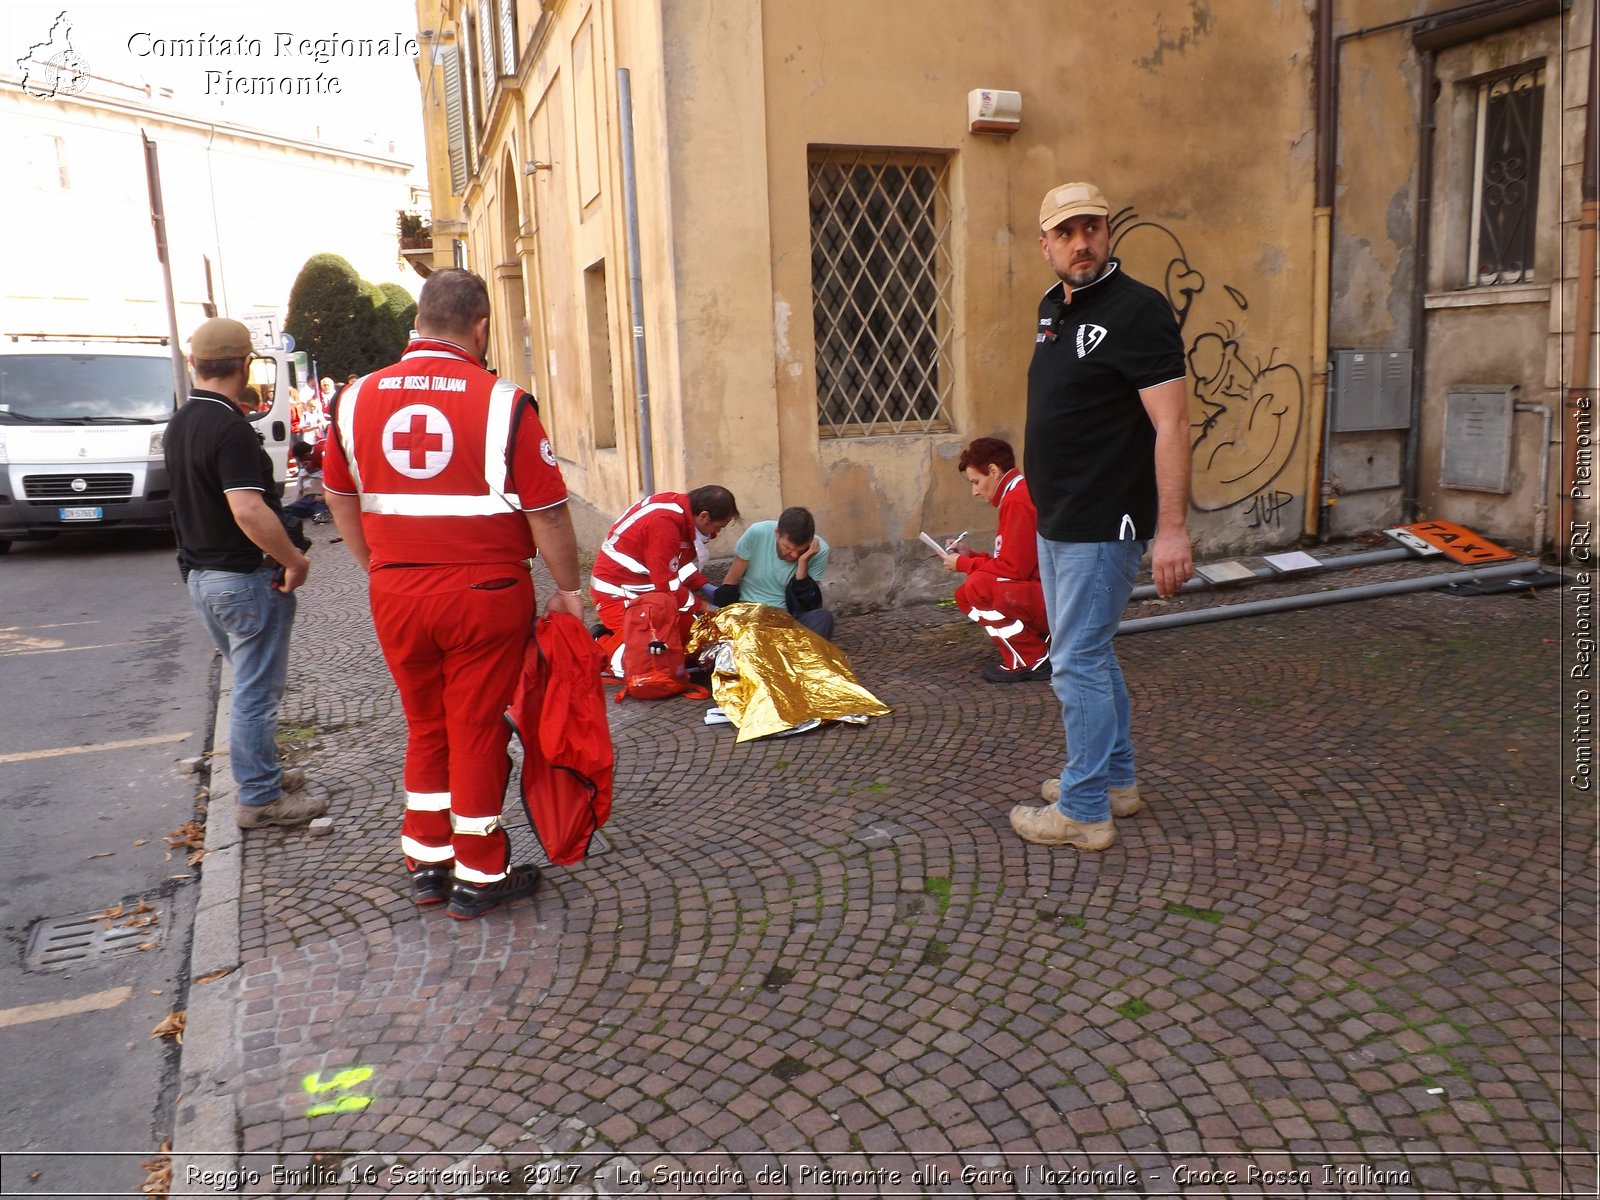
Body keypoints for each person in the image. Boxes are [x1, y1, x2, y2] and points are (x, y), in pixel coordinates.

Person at [321, 269, 585, 921]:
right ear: (482, 327)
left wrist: (377, 565)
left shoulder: (354, 400)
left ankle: (428, 862)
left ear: (419, 322)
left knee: (425, 724)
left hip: (397, 590)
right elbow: (548, 514)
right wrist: (569, 590)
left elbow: (338, 495)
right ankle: (480, 873)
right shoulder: (503, 402)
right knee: (475, 728)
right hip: (484, 593)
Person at [1007, 181, 1193, 853]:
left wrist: (1171, 529)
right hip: (1059, 519)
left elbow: (1171, 425)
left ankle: (1084, 811)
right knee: (1091, 656)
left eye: (1092, 227)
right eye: (1066, 232)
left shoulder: (1138, 311)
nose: (1081, 242)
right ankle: (1116, 781)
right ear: (1046, 244)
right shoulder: (1052, 307)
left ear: (1108, 232)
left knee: (1075, 663)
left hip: (1103, 520)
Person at [165, 317, 326, 829]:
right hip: (242, 578)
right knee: (257, 692)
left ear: (195, 364)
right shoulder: (229, 427)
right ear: (245, 365)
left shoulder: (181, 421)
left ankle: (264, 774)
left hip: (202, 577)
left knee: (248, 685)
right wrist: (295, 560)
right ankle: (258, 798)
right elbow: (247, 510)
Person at [588, 485, 739, 675]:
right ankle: (600, 644)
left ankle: (619, 635)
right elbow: (668, 585)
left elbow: (675, 563)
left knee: (687, 635)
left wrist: (702, 585)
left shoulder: (679, 515)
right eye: (718, 527)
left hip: (644, 591)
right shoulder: (664, 524)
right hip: (618, 596)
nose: (716, 533)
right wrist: (705, 608)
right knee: (646, 661)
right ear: (703, 516)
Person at [936, 438, 1049, 681]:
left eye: (976, 482)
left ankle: (1032, 658)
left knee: (977, 587)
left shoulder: (1017, 499)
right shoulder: (1018, 494)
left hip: (1053, 598)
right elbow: (1015, 562)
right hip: (1050, 592)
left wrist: (964, 563)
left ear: (994, 471)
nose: (975, 491)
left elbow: (1013, 569)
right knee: (968, 591)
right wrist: (970, 556)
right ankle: (1035, 641)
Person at [716, 506, 835, 640]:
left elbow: (809, 605)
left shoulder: (819, 550)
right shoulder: (757, 533)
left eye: (800, 550)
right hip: (750, 614)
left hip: (788, 619)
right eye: (787, 548)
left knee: (823, 618)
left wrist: (803, 562)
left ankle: (801, 658)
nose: (794, 555)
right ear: (777, 533)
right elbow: (730, 582)